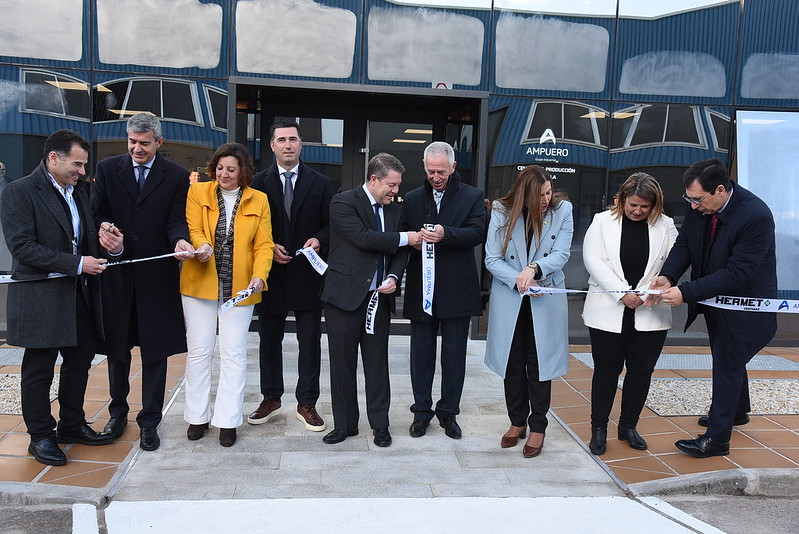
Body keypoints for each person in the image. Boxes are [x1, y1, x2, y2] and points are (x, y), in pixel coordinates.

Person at [0, 130, 123, 465]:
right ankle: (40, 437)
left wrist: (111, 244)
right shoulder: (19, 191)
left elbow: (84, 239)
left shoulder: (78, 192)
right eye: (77, 164)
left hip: (77, 295)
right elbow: (22, 247)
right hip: (39, 297)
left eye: (84, 165)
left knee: (80, 362)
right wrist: (78, 264)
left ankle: (71, 424)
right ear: (54, 158)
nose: (82, 171)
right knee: (39, 370)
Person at [647, 158, 777, 458]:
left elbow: (737, 273)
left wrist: (686, 292)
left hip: (746, 307)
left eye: (698, 200)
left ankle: (717, 440)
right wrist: (669, 276)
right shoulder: (703, 208)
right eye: (689, 199)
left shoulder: (756, 216)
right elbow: (685, 245)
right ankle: (736, 412)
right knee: (728, 357)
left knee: (727, 364)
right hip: (715, 299)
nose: (693, 206)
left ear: (720, 190)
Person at [92, 113, 196, 452]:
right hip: (117, 275)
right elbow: (97, 212)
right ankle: (117, 414)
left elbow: (176, 220)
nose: (137, 148)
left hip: (157, 279)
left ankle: (150, 422)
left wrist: (180, 241)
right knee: (117, 350)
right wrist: (105, 230)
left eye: (144, 143)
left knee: (156, 352)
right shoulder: (108, 169)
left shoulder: (176, 176)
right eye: (132, 142)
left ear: (159, 142)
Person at [320, 153, 420, 447]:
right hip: (344, 298)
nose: (395, 191)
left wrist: (394, 277)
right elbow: (364, 238)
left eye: (398, 185)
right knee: (342, 364)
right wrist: (407, 237)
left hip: (378, 300)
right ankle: (345, 425)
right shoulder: (343, 202)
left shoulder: (395, 210)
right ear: (374, 179)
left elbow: (400, 253)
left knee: (377, 365)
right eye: (391, 185)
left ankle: (380, 425)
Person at [180, 143, 273, 447]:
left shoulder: (259, 199)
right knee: (199, 351)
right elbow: (194, 228)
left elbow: (264, 245)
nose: (224, 174)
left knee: (233, 354)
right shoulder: (197, 192)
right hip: (200, 283)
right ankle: (197, 417)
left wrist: (260, 276)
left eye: (231, 169)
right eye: (220, 168)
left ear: (243, 171)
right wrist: (203, 245)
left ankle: (227, 420)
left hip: (240, 288)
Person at [581, 173, 677, 455]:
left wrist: (660, 285)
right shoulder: (601, 221)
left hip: (650, 310)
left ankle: (628, 427)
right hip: (608, 310)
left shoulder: (666, 225)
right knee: (606, 372)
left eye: (645, 206)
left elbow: (675, 261)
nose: (637, 211)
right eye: (633, 204)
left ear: (655, 204)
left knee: (641, 372)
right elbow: (593, 260)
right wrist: (622, 292)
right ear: (622, 199)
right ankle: (599, 428)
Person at [247, 119, 333, 433]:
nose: (288, 145)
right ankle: (271, 398)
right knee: (269, 340)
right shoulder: (257, 182)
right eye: (281, 140)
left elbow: (331, 223)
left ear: (300, 144)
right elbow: (249, 226)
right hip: (270, 274)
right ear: (272, 145)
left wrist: (319, 240)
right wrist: (268, 247)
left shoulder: (321, 182)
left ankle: (306, 402)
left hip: (308, 274)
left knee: (309, 341)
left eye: (293, 139)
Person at [484, 165, 573, 458]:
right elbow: (492, 258)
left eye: (548, 192)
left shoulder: (563, 210)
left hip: (544, 296)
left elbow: (561, 254)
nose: (546, 199)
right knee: (512, 362)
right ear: (525, 195)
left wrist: (534, 269)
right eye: (540, 195)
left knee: (540, 363)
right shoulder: (502, 210)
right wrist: (518, 279)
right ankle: (517, 421)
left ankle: (538, 427)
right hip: (511, 297)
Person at [401, 141, 485, 439]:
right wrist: (412, 240)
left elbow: (477, 232)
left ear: (453, 167)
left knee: (454, 357)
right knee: (421, 356)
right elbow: (402, 237)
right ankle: (421, 413)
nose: (436, 177)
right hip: (421, 290)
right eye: (430, 171)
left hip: (457, 290)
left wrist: (446, 234)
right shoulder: (412, 198)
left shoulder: (472, 196)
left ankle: (448, 413)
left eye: (441, 171)